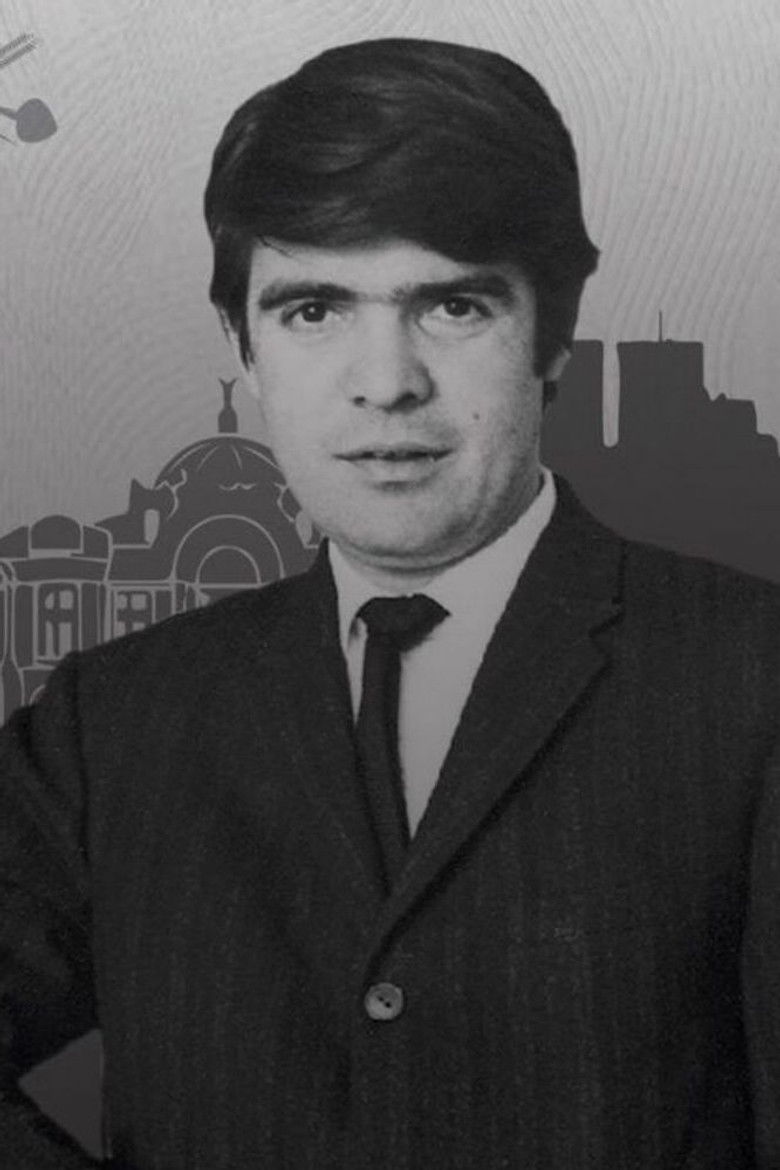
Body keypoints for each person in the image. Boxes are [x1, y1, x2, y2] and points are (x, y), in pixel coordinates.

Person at [1, 36, 778, 1170]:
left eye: (453, 306)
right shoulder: (111, 719)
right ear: (243, 347)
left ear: (554, 338)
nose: (386, 383)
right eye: (314, 310)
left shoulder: (754, 680)